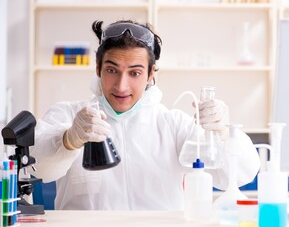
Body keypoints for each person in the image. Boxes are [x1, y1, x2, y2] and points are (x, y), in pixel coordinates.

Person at [30, 20, 260, 210]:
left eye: (135, 73)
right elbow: (37, 168)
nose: (121, 86)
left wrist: (222, 134)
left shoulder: (173, 125)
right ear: (98, 68)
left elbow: (239, 175)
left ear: (150, 75)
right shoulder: (68, 115)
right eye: (112, 70)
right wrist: (69, 140)